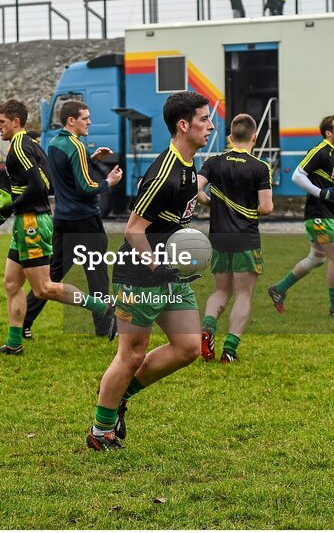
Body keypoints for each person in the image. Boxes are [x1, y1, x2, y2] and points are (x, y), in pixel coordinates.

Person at [87, 90, 213, 452]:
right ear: (183, 125)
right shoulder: (164, 173)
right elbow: (132, 230)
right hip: (138, 275)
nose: (210, 125)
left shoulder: (188, 165)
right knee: (132, 354)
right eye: (204, 119)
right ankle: (100, 431)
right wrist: (157, 260)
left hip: (169, 276)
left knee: (188, 347)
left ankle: (118, 395)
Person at [0, 99, 110, 355]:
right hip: (26, 219)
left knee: (45, 287)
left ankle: (101, 307)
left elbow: (40, 187)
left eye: (2, 122)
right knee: (11, 284)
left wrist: (11, 203)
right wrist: (16, 202)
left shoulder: (20, 147)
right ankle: (14, 343)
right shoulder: (33, 144)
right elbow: (49, 183)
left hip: (32, 221)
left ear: (16, 122)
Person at [22, 99, 123, 339]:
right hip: (85, 220)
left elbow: (67, 176)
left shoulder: (56, 142)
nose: (90, 122)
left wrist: (92, 159)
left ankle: (22, 323)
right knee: (97, 274)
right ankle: (104, 327)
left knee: (51, 277)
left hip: (63, 219)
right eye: (85, 118)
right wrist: (109, 182)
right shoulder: (76, 146)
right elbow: (86, 186)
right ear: (71, 120)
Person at [196, 114, 274, 363]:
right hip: (245, 239)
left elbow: (194, 188)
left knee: (220, 290)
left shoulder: (214, 162)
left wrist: (211, 203)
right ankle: (229, 350)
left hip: (218, 237)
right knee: (243, 294)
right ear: (254, 137)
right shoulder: (260, 167)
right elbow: (267, 207)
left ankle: (207, 329)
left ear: (230, 138)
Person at [267, 115, 334, 317]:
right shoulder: (318, 151)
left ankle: (279, 289)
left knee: (316, 258)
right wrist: (320, 192)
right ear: (328, 133)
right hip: (318, 213)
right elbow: (297, 175)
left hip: (328, 213)